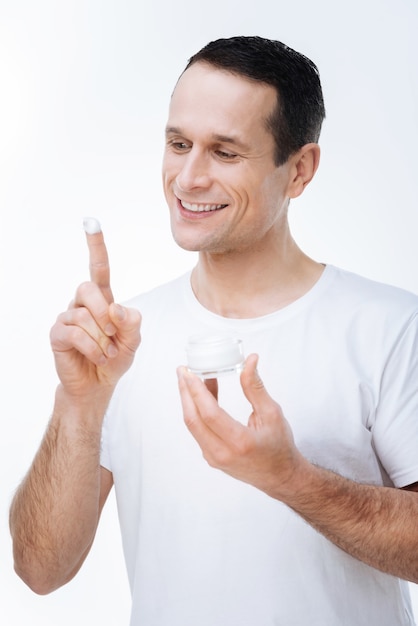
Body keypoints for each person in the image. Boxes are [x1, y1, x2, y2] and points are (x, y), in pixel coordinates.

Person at [9, 36, 418, 626]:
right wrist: (78, 404)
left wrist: (291, 479)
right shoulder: (119, 341)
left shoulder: (389, 329)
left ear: (299, 169)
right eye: (178, 144)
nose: (188, 178)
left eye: (225, 152)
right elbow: (39, 571)